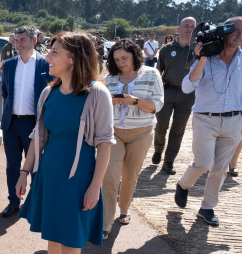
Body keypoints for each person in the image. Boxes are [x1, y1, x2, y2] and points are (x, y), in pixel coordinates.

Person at [16, 32, 113, 254]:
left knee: (71, 249)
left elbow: (104, 144)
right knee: (53, 241)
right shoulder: (48, 93)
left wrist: (95, 186)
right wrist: (24, 171)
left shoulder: (97, 94)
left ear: (73, 57)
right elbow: (37, 135)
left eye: (54, 52)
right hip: (50, 177)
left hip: (78, 180)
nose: (48, 57)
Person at [175, 16, 242, 226]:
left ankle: (207, 207)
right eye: (236, 30)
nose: (240, 35)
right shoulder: (207, 58)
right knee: (204, 163)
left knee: (220, 168)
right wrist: (201, 59)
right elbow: (187, 87)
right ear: (225, 31)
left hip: (234, 120)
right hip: (205, 119)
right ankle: (184, 185)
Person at [101, 40, 164, 239]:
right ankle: (105, 222)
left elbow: (158, 104)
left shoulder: (151, 74)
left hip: (142, 132)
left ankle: (124, 209)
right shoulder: (109, 78)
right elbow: (100, 106)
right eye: (116, 59)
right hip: (114, 133)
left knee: (130, 176)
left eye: (124, 58)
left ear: (135, 56)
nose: (120, 63)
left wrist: (133, 101)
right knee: (109, 176)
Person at [0, 25, 52, 217]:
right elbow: (5, 92)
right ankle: (13, 202)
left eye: (22, 40)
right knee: (12, 166)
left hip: (34, 124)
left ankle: (35, 204)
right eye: (16, 39)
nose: (18, 43)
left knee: (36, 166)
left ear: (34, 40)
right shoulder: (10, 64)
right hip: (11, 124)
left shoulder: (45, 65)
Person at [153, 17, 197, 175]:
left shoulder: (197, 50)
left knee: (178, 129)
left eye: (193, 26)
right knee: (161, 125)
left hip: (187, 95)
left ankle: (169, 161)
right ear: (179, 27)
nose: (189, 29)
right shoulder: (167, 48)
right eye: (186, 26)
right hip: (167, 92)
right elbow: (159, 72)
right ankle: (158, 149)